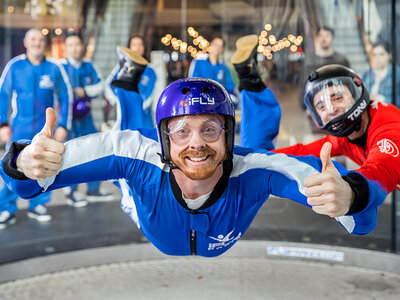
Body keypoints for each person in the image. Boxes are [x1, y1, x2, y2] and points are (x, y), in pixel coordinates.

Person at [0, 47, 386, 257]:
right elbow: (28, 185)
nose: (196, 143)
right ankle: (131, 83)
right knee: (124, 154)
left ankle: (239, 80)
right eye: (180, 131)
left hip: (235, 165)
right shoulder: (139, 151)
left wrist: (350, 197)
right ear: (164, 139)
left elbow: (357, 219)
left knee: (259, 151)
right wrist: (23, 160)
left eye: (211, 128)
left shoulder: (253, 167)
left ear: (226, 134)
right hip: (142, 170)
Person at [274, 64, 400, 194]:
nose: (332, 109)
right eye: (322, 107)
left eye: (338, 98)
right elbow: (301, 151)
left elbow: (380, 169)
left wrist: (349, 190)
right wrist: (259, 157)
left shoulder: (386, 122)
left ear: (355, 94)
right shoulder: (343, 139)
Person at [0, 27, 72, 228]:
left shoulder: (54, 68)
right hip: (19, 127)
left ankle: (37, 205)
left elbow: (66, 96)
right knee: (12, 167)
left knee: (43, 168)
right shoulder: (14, 67)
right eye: (32, 40)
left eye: (40, 40)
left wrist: (63, 124)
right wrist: (3, 124)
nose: (36, 43)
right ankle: (6, 207)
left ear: (44, 43)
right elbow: (3, 96)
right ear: (25, 43)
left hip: (45, 129)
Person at [59, 33, 113, 207]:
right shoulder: (59, 67)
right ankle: (71, 192)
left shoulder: (89, 66)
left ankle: (93, 189)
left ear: (82, 47)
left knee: (94, 151)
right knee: (69, 155)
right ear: (66, 48)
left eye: (77, 44)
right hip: (67, 119)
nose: (75, 48)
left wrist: (85, 91)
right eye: (71, 45)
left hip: (86, 117)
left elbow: (100, 85)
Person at [230, 34, 281, 150]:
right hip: (251, 95)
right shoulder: (251, 95)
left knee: (255, 145)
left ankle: (245, 71)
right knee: (255, 146)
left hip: (252, 92)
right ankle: (245, 70)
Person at [104, 35, 157, 131]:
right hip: (125, 116)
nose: (137, 48)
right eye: (134, 44)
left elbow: (151, 94)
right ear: (129, 47)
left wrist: (136, 106)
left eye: (140, 44)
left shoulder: (151, 70)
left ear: (144, 48)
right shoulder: (122, 67)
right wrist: (119, 101)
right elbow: (109, 84)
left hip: (144, 117)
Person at [300, 26, 350, 110]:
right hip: (317, 106)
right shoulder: (309, 60)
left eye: (327, 35)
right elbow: (303, 83)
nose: (324, 38)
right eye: (321, 35)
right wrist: (306, 107)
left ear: (332, 38)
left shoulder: (341, 60)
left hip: (339, 104)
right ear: (317, 38)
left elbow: (348, 83)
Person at [188, 35, 238, 107]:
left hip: (219, 102)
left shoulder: (224, 67)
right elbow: (192, 82)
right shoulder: (198, 62)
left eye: (220, 46)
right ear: (211, 45)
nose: (217, 48)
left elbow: (230, 86)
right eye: (216, 45)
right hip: (202, 99)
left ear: (221, 49)